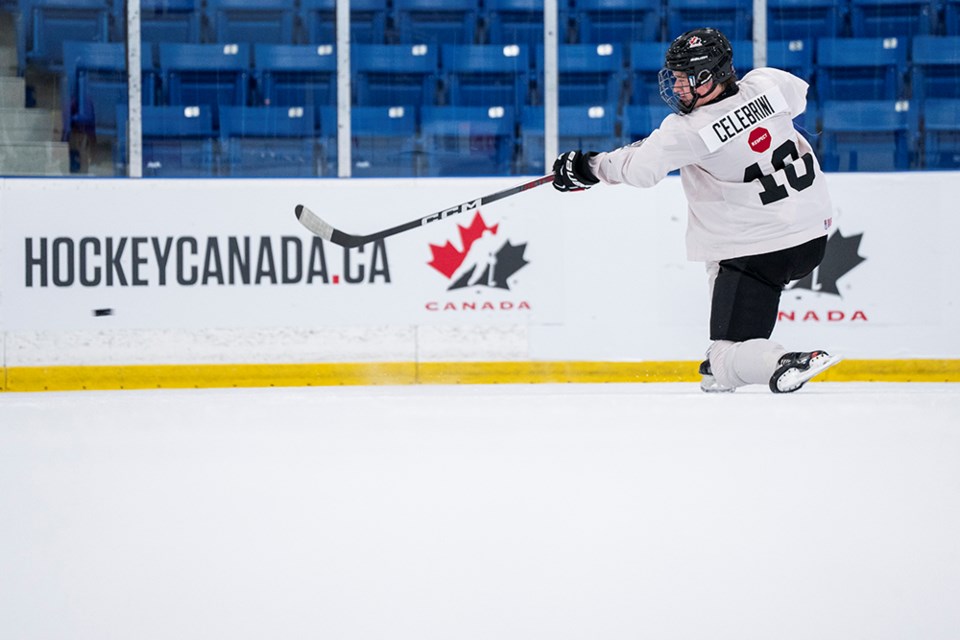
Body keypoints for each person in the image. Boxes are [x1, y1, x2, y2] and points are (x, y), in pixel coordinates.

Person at [552, 27, 841, 393]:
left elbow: (639, 169)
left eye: (685, 79)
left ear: (710, 76)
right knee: (717, 242)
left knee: (725, 351)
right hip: (812, 236)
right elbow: (797, 99)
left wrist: (587, 167)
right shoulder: (768, 82)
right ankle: (727, 357)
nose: (676, 88)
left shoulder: (687, 130)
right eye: (674, 78)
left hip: (758, 250)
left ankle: (778, 361)